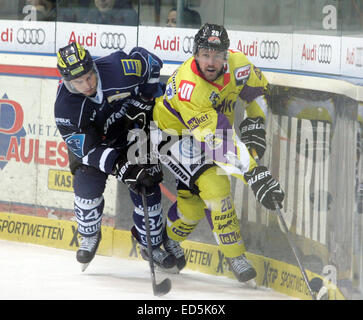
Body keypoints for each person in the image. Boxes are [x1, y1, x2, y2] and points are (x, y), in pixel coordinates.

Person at [152, 23, 285, 282]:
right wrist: (255, 175)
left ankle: (166, 241)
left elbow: (258, 92)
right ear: (195, 54)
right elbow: (220, 144)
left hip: (207, 133)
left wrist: (255, 122)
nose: (211, 62)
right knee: (216, 186)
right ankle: (235, 255)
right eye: (204, 54)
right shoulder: (190, 88)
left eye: (217, 55)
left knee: (191, 208)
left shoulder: (238, 65)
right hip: (172, 134)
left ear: (226, 54)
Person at [54, 42, 176, 271]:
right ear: (67, 81)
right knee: (86, 185)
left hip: (131, 133)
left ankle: (152, 243)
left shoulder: (118, 68)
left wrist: (146, 99)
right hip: (95, 147)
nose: (87, 85)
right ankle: (89, 235)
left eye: (89, 77)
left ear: (93, 67)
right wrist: (123, 167)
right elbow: (87, 151)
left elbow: (149, 61)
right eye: (78, 82)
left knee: (148, 184)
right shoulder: (64, 107)